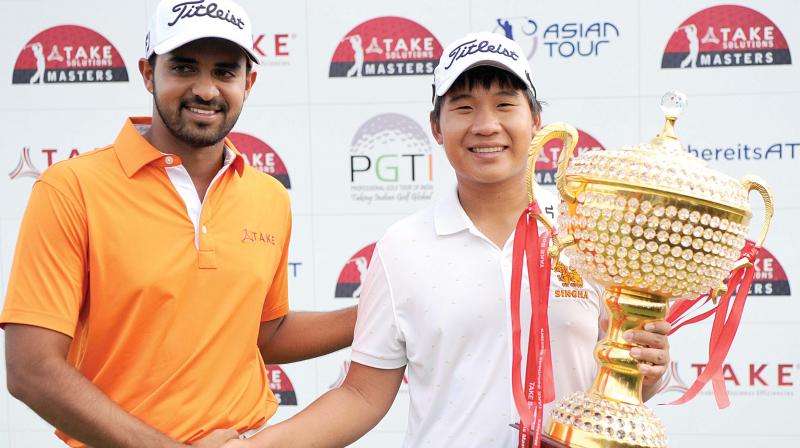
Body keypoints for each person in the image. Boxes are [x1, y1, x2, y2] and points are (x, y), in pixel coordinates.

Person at [224, 32, 672, 448]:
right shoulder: (403, 247)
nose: (485, 125)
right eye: (463, 107)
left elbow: (627, 379)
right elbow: (361, 395)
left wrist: (646, 372)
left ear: (536, 121)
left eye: (504, 104)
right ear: (436, 128)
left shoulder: (589, 232)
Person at [1, 1, 355, 447]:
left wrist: (379, 315)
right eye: (185, 68)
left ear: (249, 82)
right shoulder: (70, 188)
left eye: (225, 72)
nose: (206, 90)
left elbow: (264, 334)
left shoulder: (269, 196)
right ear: (149, 74)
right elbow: (31, 370)